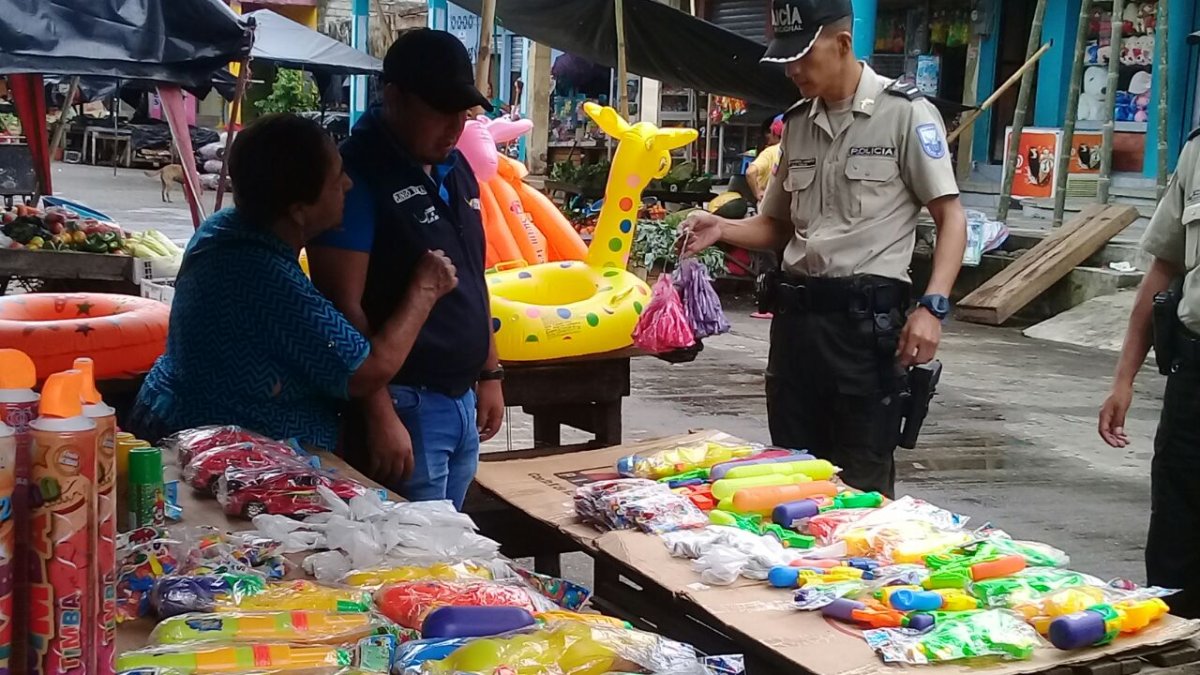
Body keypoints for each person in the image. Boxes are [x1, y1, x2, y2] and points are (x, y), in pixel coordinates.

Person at [682, 0, 967, 497]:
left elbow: (951, 218)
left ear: (842, 44)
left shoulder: (905, 114)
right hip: (796, 329)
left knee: (861, 487)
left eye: (803, 57)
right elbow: (776, 225)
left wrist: (933, 307)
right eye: (786, 58)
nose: (792, 70)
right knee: (789, 478)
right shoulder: (796, 123)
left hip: (865, 333)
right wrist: (721, 228)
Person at [129, 113, 458, 451]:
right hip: (218, 449)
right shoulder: (261, 273)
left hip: (184, 418)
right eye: (337, 179)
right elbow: (367, 371)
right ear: (299, 210)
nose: (348, 185)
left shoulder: (225, 227)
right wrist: (424, 290)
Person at [308, 29, 503, 510]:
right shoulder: (355, 175)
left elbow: (473, 274)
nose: (455, 126)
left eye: (463, 112)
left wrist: (490, 372)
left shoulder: (455, 167)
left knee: (450, 538)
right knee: (416, 542)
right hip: (404, 402)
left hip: (461, 398)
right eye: (440, 110)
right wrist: (378, 412)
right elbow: (340, 307)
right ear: (394, 97)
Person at [1099, 126, 1200, 619]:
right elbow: (1164, 268)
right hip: (1194, 377)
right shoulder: (1197, 152)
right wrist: (1124, 379)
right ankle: (1176, 643)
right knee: (1176, 538)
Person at [746, 115, 784, 202]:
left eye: (769, 131)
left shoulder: (770, 152)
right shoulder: (795, 150)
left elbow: (750, 172)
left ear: (775, 133)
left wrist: (757, 192)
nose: (767, 135)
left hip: (769, 201)